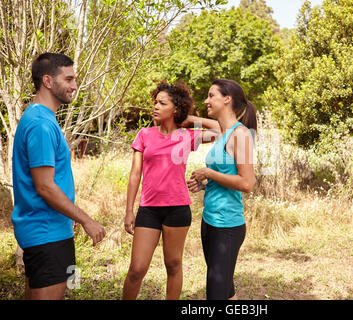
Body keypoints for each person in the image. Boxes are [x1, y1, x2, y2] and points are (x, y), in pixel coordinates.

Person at [11, 52, 106, 300]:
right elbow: (44, 186)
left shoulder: (39, 118)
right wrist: (87, 219)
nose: (75, 85)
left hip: (46, 230)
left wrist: (69, 212)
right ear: (48, 81)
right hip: (46, 233)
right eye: (69, 79)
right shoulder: (40, 124)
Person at [122, 80, 210, 300]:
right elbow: (135, 175)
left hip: (178, 208)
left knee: (173, 264)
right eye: (155, 102)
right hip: (149, 209)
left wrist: (189, 119)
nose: (155, 106)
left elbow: (223, 129)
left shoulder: (186, 135)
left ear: (176, 108)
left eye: (162, 103)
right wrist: (129, 210)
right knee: (136, 270)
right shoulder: (144, 135)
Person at [186, 79, 256, 300]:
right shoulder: (223, 134)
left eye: (211, 95)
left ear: (227, 99)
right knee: (226, 292)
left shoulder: (241, 134)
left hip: (227, 226)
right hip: (209, 222)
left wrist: (209, 174)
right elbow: (226, 177)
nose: (206, 100)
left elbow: (247, 183)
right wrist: (205, 184)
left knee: (215, 296)